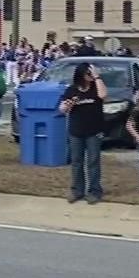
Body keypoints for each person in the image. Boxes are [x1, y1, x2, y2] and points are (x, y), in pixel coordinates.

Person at [58, 62, 108, 204]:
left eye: (92, 73)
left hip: (94, 130)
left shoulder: (96, 87)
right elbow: (61, 109)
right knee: (76, 162)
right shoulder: (72, 90)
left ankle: (94, 191)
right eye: (88, 74)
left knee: (93, 161)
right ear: (81, 75)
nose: (91, 76)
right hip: (76, 130)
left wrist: (97, 77)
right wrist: (67, 106)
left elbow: (103, 95)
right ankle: (77, 190)